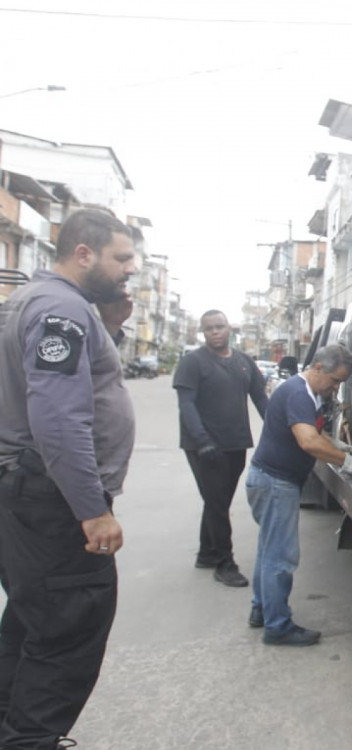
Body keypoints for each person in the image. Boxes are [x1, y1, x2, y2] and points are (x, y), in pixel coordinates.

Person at [0, 209, 137, 749]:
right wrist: (92, 509)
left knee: (34, 623)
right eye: (121, 258)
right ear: (84, 253)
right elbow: (58, 420)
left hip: (28, 494)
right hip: (53, 502)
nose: (130, 269)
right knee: (68, 629)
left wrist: (110, 331)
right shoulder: (61, 310)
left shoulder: (36, 302)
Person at [245, 343, 352, 646]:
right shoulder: (298, 393)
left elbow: (317, 433)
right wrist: (348, 462)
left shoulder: (308, 394)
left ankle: (261, 610)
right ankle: (277, 627)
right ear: (318, 368)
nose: (335, 388)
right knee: (280, 558)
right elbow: (308, 442)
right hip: (276, 484)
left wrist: (340, 446)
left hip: (269, 480)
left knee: (268, 551)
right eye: (334, 380)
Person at [173, 310, 268, 587]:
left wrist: (282, 427)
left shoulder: (244, 362)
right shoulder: (193, 362)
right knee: (217, 503)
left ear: (229, 329)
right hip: (204, 447)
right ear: (203, 333)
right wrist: (202, 440)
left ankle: (206, 553)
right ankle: (225, 563)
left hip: (236, 443)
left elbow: (261, 400)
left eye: (220, 326)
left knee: (219, 501)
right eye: (209, 328)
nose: (215, 332)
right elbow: (186, 405)